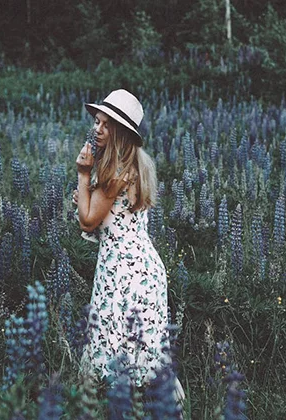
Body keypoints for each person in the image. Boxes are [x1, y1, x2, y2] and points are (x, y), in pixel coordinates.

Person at [73, 89, 184, 400]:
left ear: (120, 132)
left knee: (116, 348)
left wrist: (83, 175)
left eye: (106, 125)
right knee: (139, 349)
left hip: (124, 273)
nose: (97, 129)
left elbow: (87, 221)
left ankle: (126, 407)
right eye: (97, 121)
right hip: (141, 268)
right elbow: (110, 221)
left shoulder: (116, 173)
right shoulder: (132, 165)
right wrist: (88, 196)